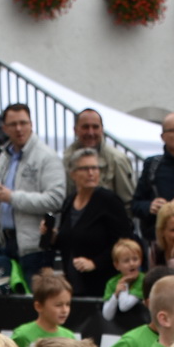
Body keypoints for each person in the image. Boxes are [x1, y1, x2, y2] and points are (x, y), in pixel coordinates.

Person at [0, 103, 65, 284]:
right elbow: (4, 197)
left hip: (35, 247)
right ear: (5, 128)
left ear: (31, 124)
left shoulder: (47, 156)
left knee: (35, 303)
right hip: (6, 242)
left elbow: (55, 199)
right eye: (13, 125)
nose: (19, 129)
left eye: (23, 123)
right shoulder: (4, 157)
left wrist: (12, 197)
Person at [56, 147, 135, 299]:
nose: (91, 173)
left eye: (95, 168)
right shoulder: (69, 201)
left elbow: (124, 242)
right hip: (73, 281)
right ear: (73, 174)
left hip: (103, 283)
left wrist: (95, 263)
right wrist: (53, 237)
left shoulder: (109, 201)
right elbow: (69, 238)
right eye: (85, 169)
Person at [61, 109, 136, 204]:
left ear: (102, 130)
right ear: (75, 130)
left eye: (95, 127)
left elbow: (128, 202)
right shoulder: (66, 159)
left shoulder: (117, 159)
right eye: (85, 127)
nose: (90, 132)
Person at [101, 238, 144, 320]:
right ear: (116, 265)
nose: (132, 264)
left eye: (135, 259)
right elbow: (107, 316)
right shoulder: (111, 283)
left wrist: (124, 284)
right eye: (126, 261)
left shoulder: (144, 280)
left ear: (140, 260)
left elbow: (124, 306)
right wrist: (115, 295)